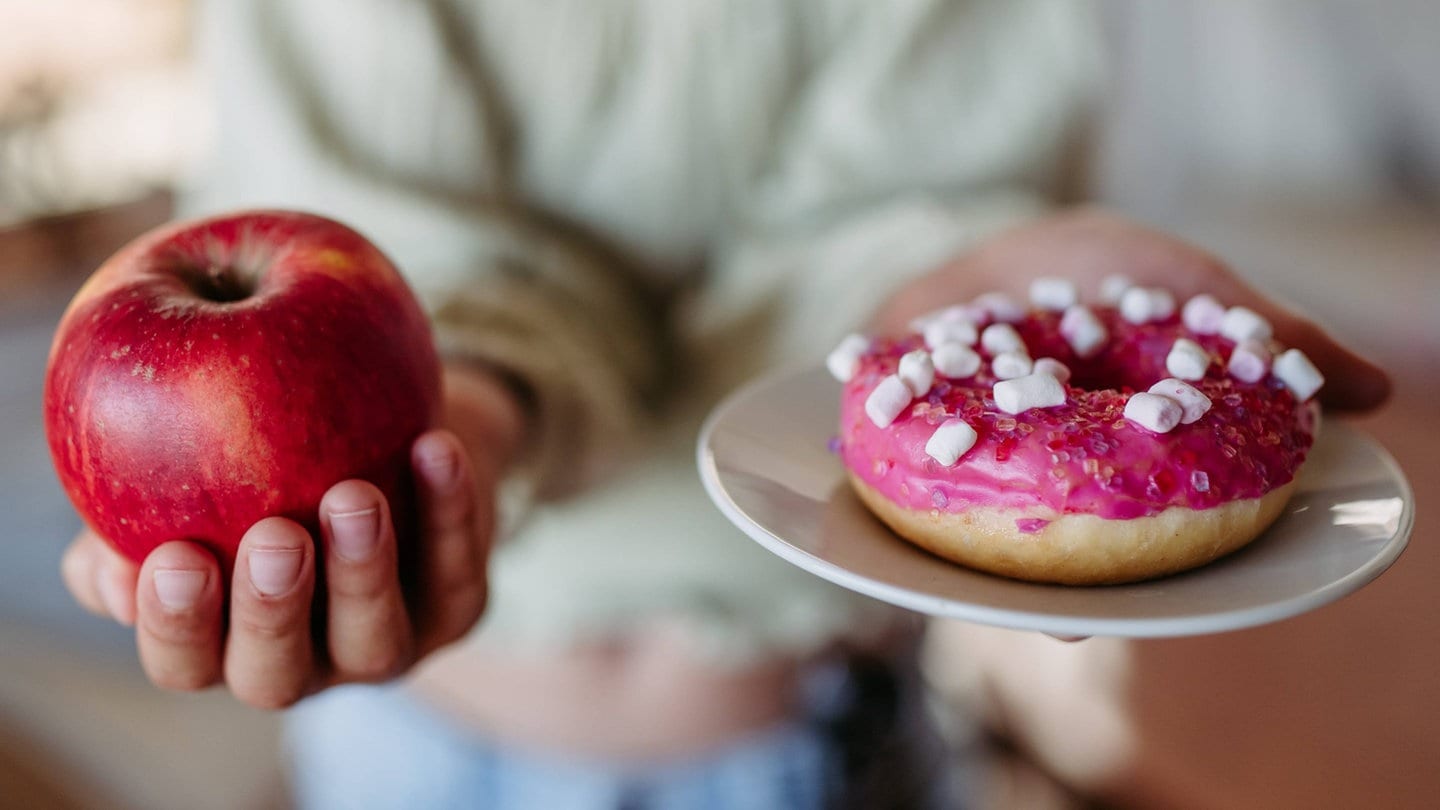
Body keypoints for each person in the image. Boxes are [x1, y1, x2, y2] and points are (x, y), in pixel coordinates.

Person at [58, 2, 1390, 808]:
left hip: (831, 736)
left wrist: (969, 279)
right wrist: (455, 413)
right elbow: (391, 279)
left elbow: (900, 219)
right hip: (418, 754)